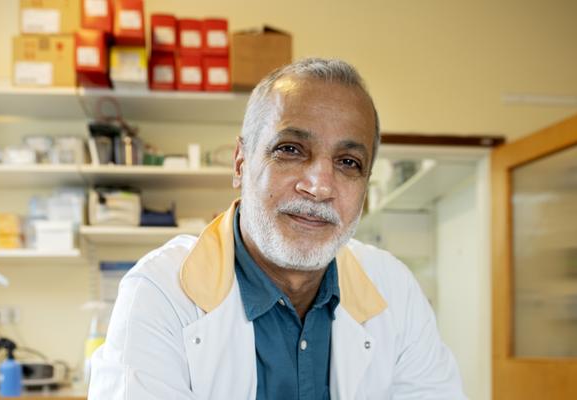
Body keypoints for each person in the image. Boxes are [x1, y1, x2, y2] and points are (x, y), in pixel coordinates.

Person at [88, 58, 464, 399]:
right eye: (290, 149)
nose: (319, 186)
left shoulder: (394, 290)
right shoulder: (161, 292)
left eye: (348, 162)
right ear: (240, 163)